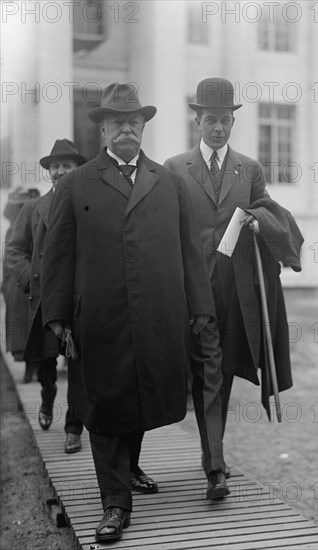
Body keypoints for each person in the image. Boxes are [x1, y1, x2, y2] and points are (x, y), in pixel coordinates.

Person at [40, 82, 215, 543]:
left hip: (158, 313)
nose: (126, 130)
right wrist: (58, 317)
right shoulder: (76, 183)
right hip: (98, 316)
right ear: (101, 128)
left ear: (143, 128)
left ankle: (129, 468)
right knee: (104, 402)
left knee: (140, 395)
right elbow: (56, 252)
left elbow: (190, 250)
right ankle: (115, 503)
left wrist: (200, 306)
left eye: (133, 122)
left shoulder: (170, 182)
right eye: (117, 122)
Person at [164, 77, 304, 485]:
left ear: (232, 122)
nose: (219, 128)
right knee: (201, 370)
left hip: (236, 288)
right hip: (193, 287)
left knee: (218, 372)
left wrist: (261, 223)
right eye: (211, 120)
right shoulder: (175, 168)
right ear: (197, 121)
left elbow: (267, 210)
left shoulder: (249, 168)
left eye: (225, 121)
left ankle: (214, 462)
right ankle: (212, 462)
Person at [6, 140, 86, 454]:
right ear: (49, 172)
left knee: (79, 368)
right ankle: (47, 397)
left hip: (80, 300)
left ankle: (73, 429)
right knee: (48, 364)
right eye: (55, 166)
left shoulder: (90, 204)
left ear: (78, 169)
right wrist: (30, 279)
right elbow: (14, 250)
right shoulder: (33, 208)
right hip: (45, 299)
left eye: (67, 165)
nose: (60, 171)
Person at [2, 186, 40, 383]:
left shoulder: (26, 224)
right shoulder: (15, 229)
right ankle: (31, 367)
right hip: (21, 282)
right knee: (27, 329)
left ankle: (32, 368)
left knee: (30, 329)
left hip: (26, 282)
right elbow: (8, 258)